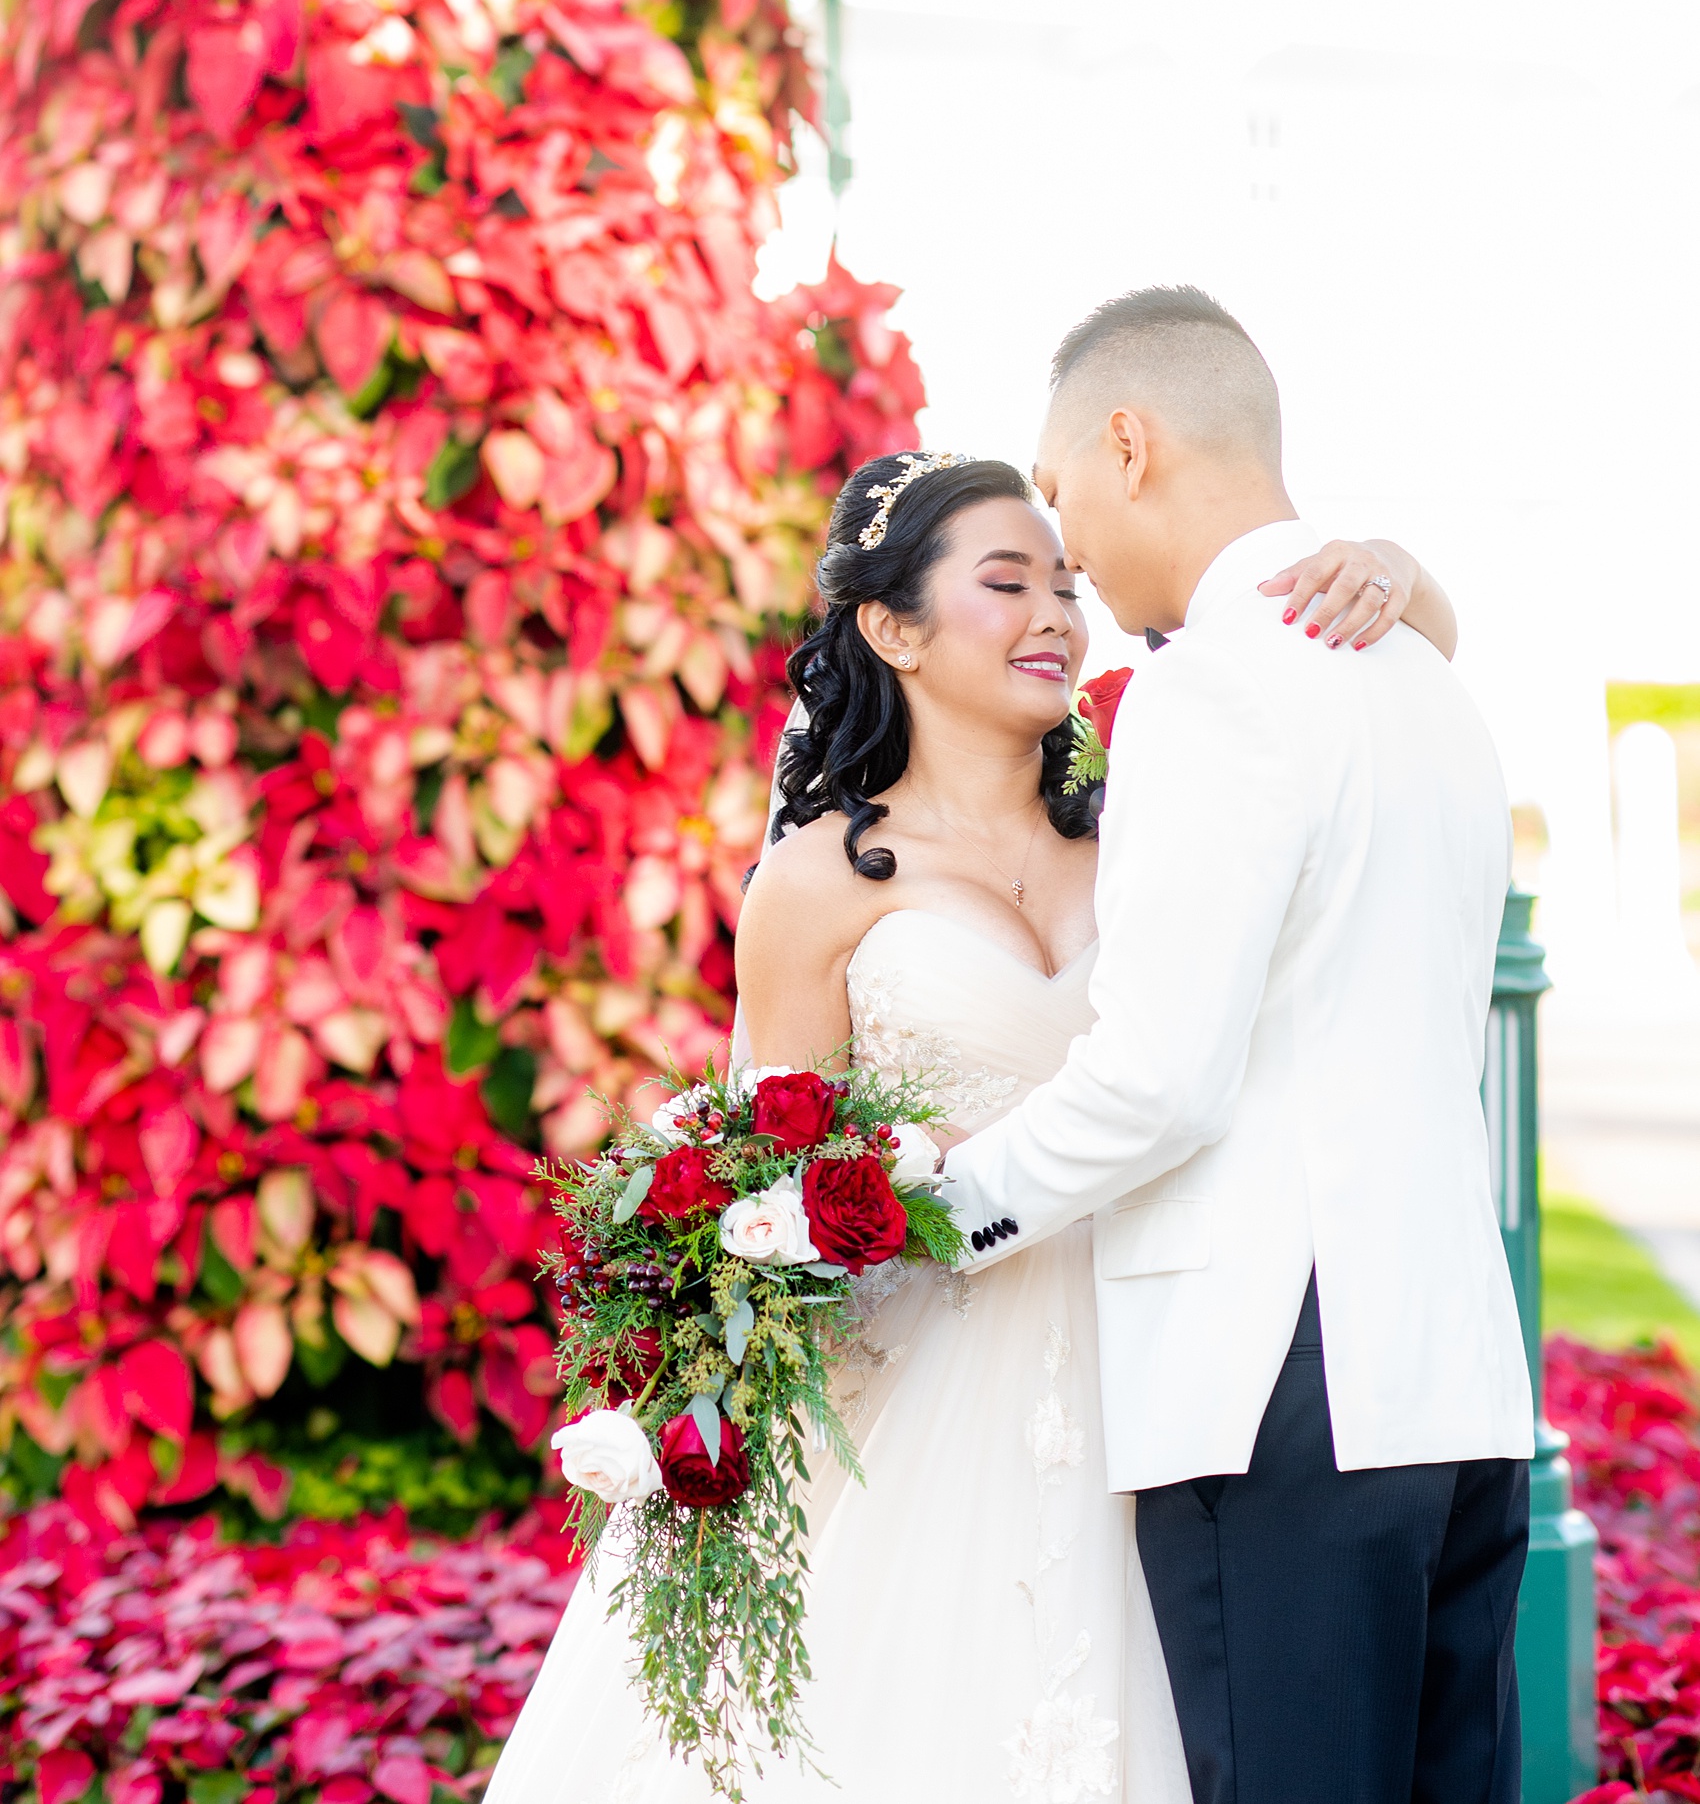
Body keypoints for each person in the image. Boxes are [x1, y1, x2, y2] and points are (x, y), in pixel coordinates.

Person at [487, 411, 1460, 1803]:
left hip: (1161, 1356)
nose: (1056, 612)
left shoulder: (1145, 810)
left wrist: (1398, 570)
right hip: (927, 1380)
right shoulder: (817, 885)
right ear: (891, 628)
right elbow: (769, 1180)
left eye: (1065, 580)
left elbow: (1399, 683)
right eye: (1007, 580)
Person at [941, 285, 1532, 1804]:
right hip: (1451, 1375)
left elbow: (1156, 1078)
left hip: (1280, 1382)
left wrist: (923, 1213)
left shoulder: (1213, 687)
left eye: (1067, 504)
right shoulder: (1431, 684)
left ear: (1128, 442)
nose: (1073, 562)